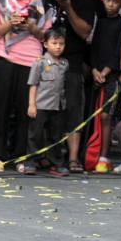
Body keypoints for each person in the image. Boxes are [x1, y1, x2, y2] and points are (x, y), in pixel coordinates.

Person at [0, 0, 50, 173]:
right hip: (4, 57)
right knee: (1, 108)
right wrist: (11, 23)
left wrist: (32, 27)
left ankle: (20, 157)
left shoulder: (38, 1)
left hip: (30, 60)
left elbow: (46, 36)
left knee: (25, 112)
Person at [42, 0, 98, 173]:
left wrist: (67, 6)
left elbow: (85, 32)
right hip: (46, 63)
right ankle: (48, 156)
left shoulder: (84, 0)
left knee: (74, 109)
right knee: (47, 110)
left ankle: (73, 158)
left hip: (72, 62)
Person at [90, 0, 121, 173]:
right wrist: (94, 70)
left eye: (115, 1)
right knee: (94, 114)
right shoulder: (100, 22)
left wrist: (104, 72)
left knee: (106, 116)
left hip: (112, 77)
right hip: (96, 74)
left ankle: (104, 157)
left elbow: (119, 50)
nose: (110, 4)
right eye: (108, 0)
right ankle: (92, 154)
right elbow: (93, 48)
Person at [24, 28, 69, 176]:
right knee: (35, 135)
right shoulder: (40, 63)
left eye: (61, 43)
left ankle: (57, 163)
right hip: (41, 105)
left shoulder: (64, 64)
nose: (58, 46)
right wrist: (32, 104)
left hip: (57, 106)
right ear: (45, 44)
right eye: (54, 43)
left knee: (55, 136)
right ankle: (30, 162)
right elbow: (33, 84)